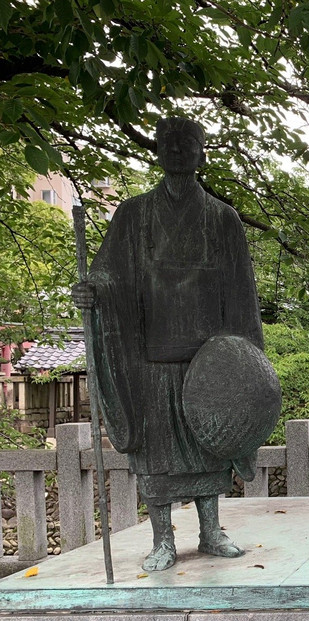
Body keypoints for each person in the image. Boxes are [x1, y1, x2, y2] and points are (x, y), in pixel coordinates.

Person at [72, 117, 264, 570]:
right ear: (156, 151)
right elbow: (110, 273)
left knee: (209, 445)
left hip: (209, 361)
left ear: (202, 153)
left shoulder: (222, 218)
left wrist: (244, 363)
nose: (178, 152)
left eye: (188, 144)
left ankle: (211, 530)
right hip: (151, 360)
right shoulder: (133, 215)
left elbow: (241, 294)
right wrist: (94, 291)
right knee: (156, 454)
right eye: (169, 145)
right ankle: (163, 540)